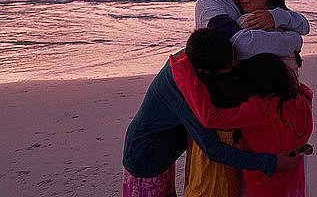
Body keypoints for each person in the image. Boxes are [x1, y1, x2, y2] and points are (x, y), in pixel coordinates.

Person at [185, 0, 309, 196]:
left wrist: (279, 17)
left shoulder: (248, 5)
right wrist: (293, 41)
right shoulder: (210, 5)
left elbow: (302, 22)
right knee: (219, 182)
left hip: (258, 105)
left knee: (259, 177)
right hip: (223, 101)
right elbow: (241, 46)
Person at [122, 28, 298, 197]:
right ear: (207, 72)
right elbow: (213, 149)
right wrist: (272, 163)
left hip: (159, 150)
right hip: (144, 157)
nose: (234, 64)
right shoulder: (187, 95)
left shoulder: (195, 55)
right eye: (228, 67)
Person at [171, 52, 313, 196]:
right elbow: (303, 89)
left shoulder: (259, 109)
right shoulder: (303, 98)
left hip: (263, 187)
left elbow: (210, 118)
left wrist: (181, 70)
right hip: (294, 185)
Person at [238, 0, 309, 73]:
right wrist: (296, 39)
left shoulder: (251, 20)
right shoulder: (286, 22)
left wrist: (275, 17)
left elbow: (305, 26)